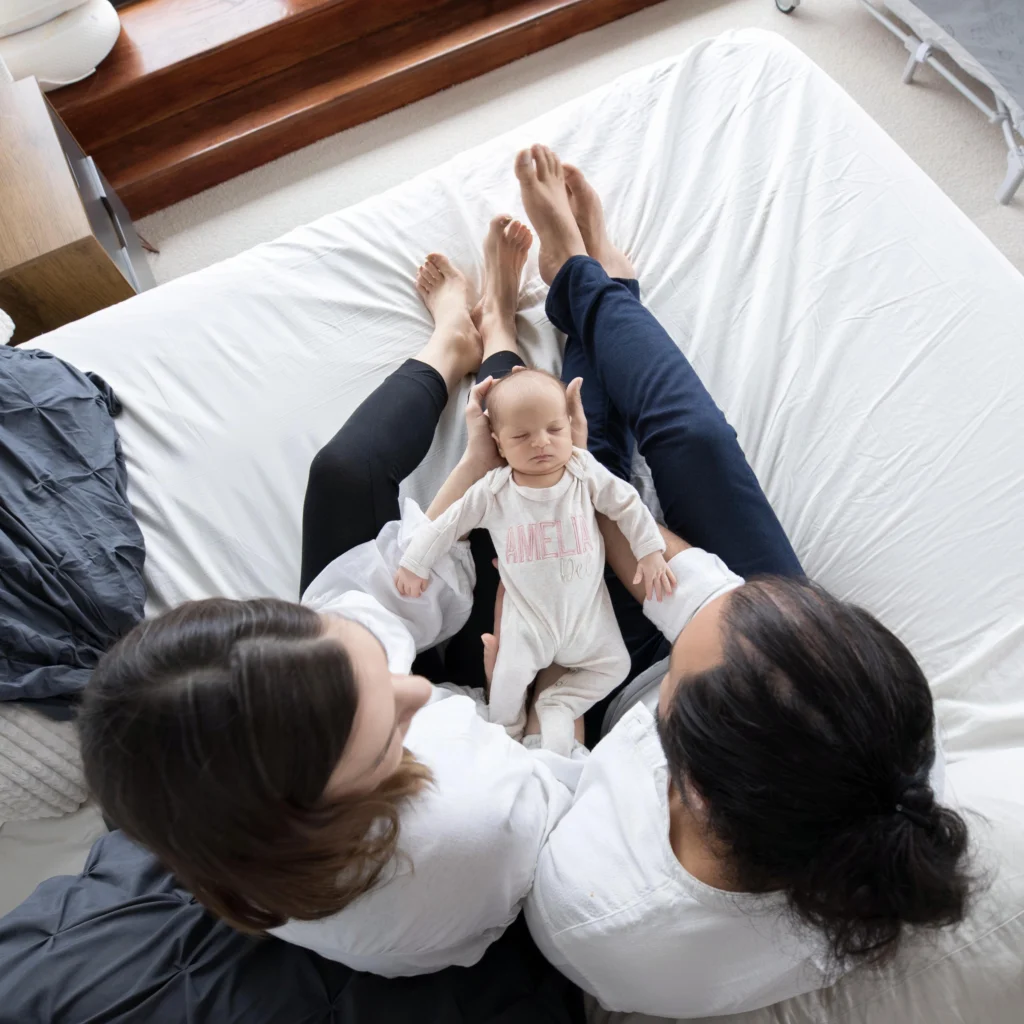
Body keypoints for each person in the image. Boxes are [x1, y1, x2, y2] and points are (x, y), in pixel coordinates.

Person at [497, 145, 970, 1017]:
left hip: (615, 684)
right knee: (697, 444)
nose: (708, 594)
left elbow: (547, 778)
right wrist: (629, 527)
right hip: (772, 685)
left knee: (576, 476)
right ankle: (591, 281)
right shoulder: (896, 757)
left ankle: (592, 287)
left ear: (682, 775)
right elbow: (710, 603)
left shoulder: (594, 912)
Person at [78, 214, 581, 978]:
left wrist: (468, 470)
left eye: (373, 663)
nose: (419, 689)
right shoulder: (462, 826)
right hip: (506, 727)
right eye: (385, 735)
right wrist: (531, 695)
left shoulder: (217, 803)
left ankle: (453, 341)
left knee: (345, 475)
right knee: (546, 487)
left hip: (395, 737)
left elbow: (373, 603)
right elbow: (561, 783)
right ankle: (501, 335)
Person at [396, 366, 674, 753]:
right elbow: (448, 524)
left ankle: (559, 702)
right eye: (522, 436)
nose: (541, 443)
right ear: (499, 443)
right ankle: (507, 735)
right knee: (506, 687)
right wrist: (415, 562)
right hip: (529, 623)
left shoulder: (582, 470)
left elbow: (626, 503)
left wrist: (649, 550)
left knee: (616, 666)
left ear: (569, 426)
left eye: (554, 429)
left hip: (587, 618)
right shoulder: (495, 491)